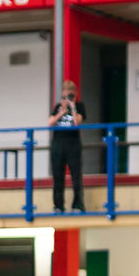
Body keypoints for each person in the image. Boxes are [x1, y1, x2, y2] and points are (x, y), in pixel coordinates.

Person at [48, 80, 87, 213]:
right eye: (65, 96)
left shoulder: (80, 106)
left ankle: (78, 204)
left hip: (73, 144)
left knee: (76, 176)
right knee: (58, 176)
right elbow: (50, 122)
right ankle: (58, 205)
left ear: (75, 94)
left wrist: (73, 106)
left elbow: (77, 122)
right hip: (58, 144)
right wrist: (62, 111)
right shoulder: (58, 107)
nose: (67, 99)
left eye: (70, 96)